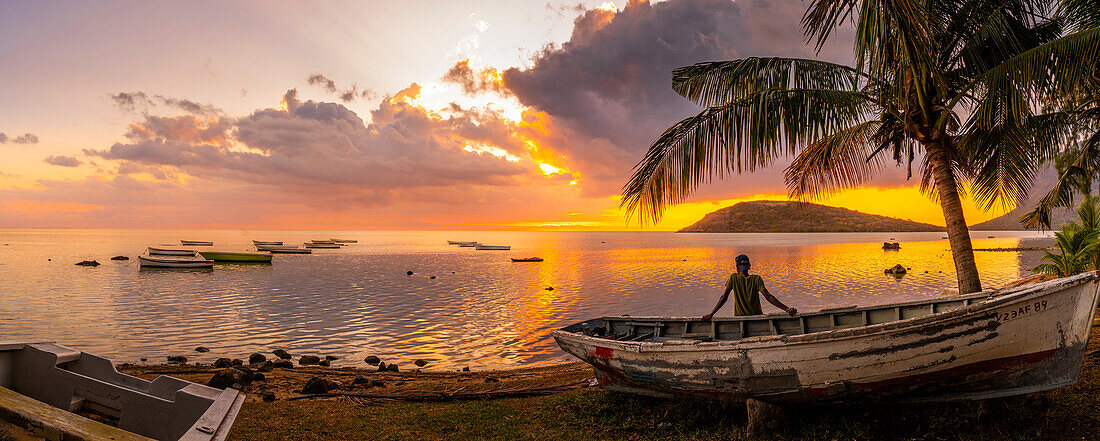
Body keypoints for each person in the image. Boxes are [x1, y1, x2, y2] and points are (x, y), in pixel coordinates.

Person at [702, 254, 797, 320]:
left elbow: (723, 297)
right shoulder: (756, 279)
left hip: (740, 318)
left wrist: (711, 314)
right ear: (749, 266)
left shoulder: (733, 278)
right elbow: (768, 296)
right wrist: (786, 309)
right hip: (757, 317)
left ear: (737, 267)